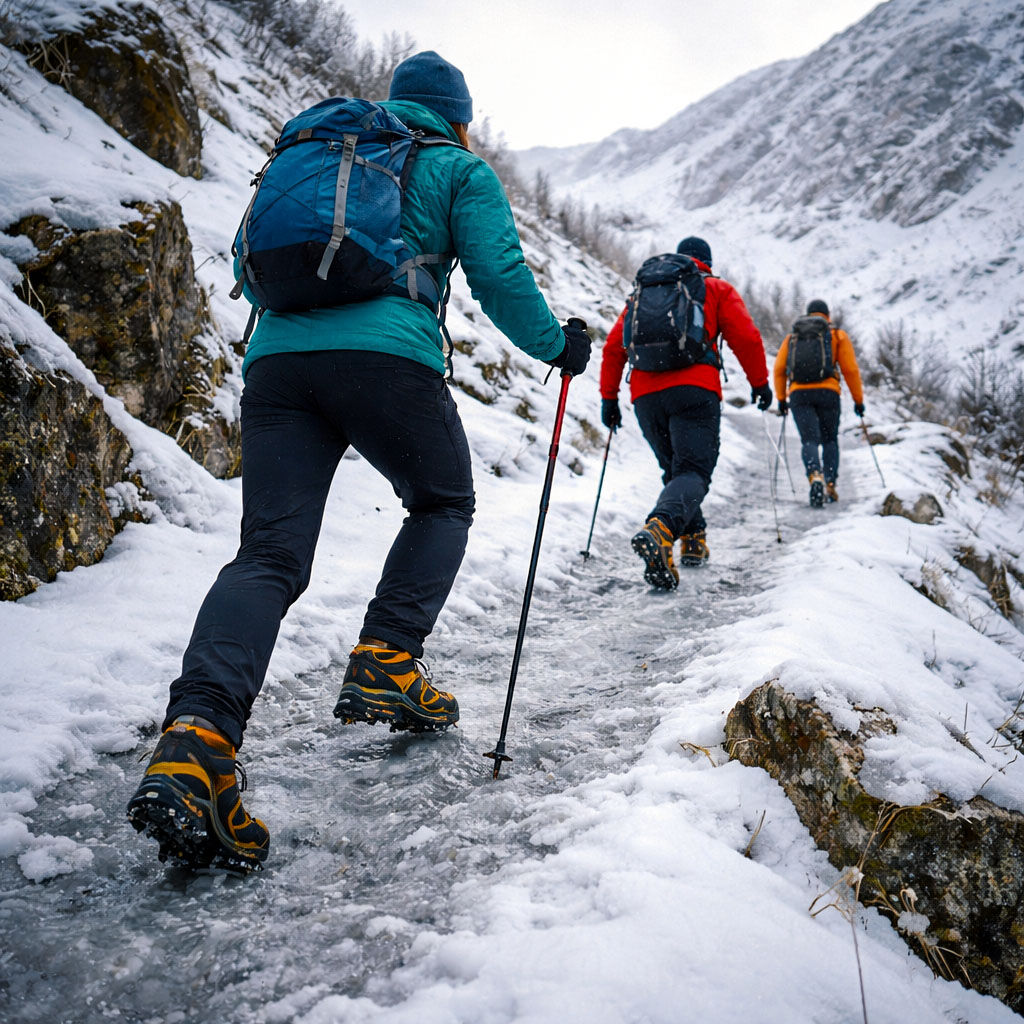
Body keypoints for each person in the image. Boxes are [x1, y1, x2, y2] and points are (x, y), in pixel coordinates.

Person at [127, 51, 591, 873]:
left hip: (277, 368)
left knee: (268, 555)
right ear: (458, 118)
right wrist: (560, 346)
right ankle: (385, 658)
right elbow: (498, 275)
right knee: (442, 502)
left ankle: (196, 738)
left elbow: (246, 266)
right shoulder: (454, 166)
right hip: (387, 361)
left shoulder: (311, 157)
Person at [600, 236, 770, 589]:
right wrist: (760, 384)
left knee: (676, 471)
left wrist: (609, 398)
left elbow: (614, 347)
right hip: (695, 390)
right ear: (706, 261)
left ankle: (694, 541)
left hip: (646, 396)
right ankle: (662, 528)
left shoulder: (643, 293)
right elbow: (747, 338)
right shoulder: (716, 289)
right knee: (693, 470)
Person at [773, 299, 864, 507]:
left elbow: (779, 369)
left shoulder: (793, 337)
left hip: (799, 394)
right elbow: (850, 370)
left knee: (809, 440)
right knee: (830, 439)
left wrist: (781, 399)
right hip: (828, 392)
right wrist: (858, 401)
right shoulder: (836, 335)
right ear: (827, 316)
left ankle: (815, 475)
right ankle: (830, 483)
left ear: (808, 314)